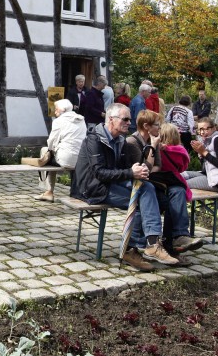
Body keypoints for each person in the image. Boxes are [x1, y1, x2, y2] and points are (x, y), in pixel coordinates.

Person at [70, 103, 180, 271]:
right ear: (111, 119)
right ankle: (138, 248)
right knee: (143, 197)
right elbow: (99, 173)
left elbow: (125, 169)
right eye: (125, 119)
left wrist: (138, 168)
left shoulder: (120, 140)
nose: (129, 123)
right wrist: (130, 172)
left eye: (130, 119)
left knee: (151, 191)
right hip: (91, 188)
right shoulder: (95, 139)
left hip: (109, 184)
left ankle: (149, 245)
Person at [126, 110, 202, 257]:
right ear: (146, 126)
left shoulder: (154, 140)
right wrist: (153, 149)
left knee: (178, 191)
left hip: (154, 182)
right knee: (170, 201)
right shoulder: (132, 142)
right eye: (157, 125)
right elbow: (144, 170)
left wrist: (151, 161)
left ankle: (179, 237)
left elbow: (157, 166)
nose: (160, 128)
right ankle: (162, 244)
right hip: (139, 186)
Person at [32, 99, 86, 203]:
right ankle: (75, 192)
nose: (55, 111)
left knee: (45, 151)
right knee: (58, 154)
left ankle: (48, 191)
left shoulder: (58, 121)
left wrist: (52, 150)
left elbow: (51, 142)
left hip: (66, 159)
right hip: (80, 158)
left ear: (62, 110)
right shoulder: (81, 120)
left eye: (56, 109)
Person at [185, 117, 218, 192]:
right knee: (181, 175)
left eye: (206, 129)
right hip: (211, 176)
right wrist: (201, 154)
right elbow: (205, 169)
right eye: (200, 129)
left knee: (182, 183)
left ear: (214, 128)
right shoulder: (208, 142)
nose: (202, 132)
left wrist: (204, 152)